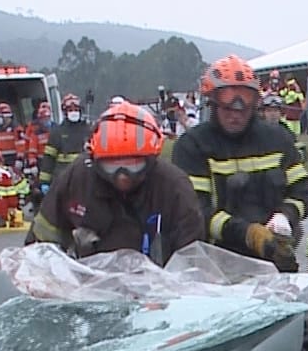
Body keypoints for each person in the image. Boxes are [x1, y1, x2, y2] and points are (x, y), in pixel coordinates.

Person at [171, 55, 307, 271]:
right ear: (213, 104)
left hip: (274, 257)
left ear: (254, 104)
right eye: (228, 108)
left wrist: (286, 216)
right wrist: (248, 234)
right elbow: (196, 211)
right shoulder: (193, 146)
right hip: (217, 262)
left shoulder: (278, 139)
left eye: (243, 108)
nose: (236, 115)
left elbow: (302, 191)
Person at [27, 102, 204, 260]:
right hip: (90, 287)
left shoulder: (173, 186)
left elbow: (192, 259)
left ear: (152, 158)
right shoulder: (78, 178)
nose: (122, 176)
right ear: (95, 158)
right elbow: (41, 239)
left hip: (160, 289)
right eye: (112, 166)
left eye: (132, 165)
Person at [39, 92, 92, 197]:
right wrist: (44, 182)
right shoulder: (57, 132)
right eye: (70, 110)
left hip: (86, 179)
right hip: (63, 180)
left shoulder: (89, 130)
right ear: (65, 112)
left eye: (76, 109)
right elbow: (49, 158)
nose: (74, 112)